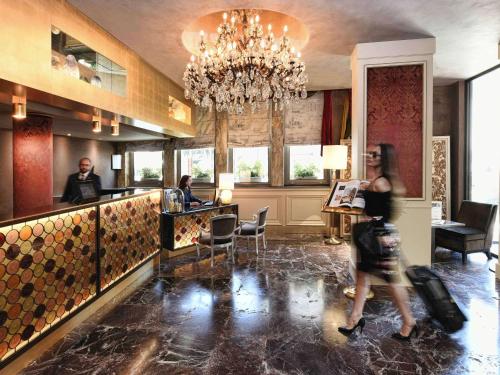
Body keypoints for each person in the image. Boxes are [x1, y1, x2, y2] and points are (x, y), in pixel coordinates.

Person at [338, 143, 418, 340]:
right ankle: (355, 319)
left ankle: (409, 321)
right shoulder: (383, 181)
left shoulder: (380, 183)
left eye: (375, 154)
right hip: (378, 234)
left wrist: (363, 192)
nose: (369, 156)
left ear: (384, 159)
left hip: (379, 237)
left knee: (391, 281)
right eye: (369, 153)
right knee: (363, 277)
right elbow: (384, 210)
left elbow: (380, 212)